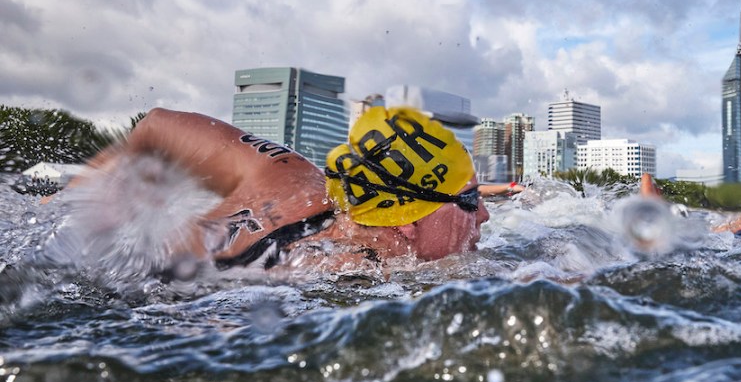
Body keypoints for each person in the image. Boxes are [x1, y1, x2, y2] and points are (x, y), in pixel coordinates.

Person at [69, 105, 491, 271]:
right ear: (405, 222)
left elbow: (155, 125)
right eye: (469, 201)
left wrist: (73, 204)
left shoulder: (286, 175)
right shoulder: (373, 278)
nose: (486, 214)